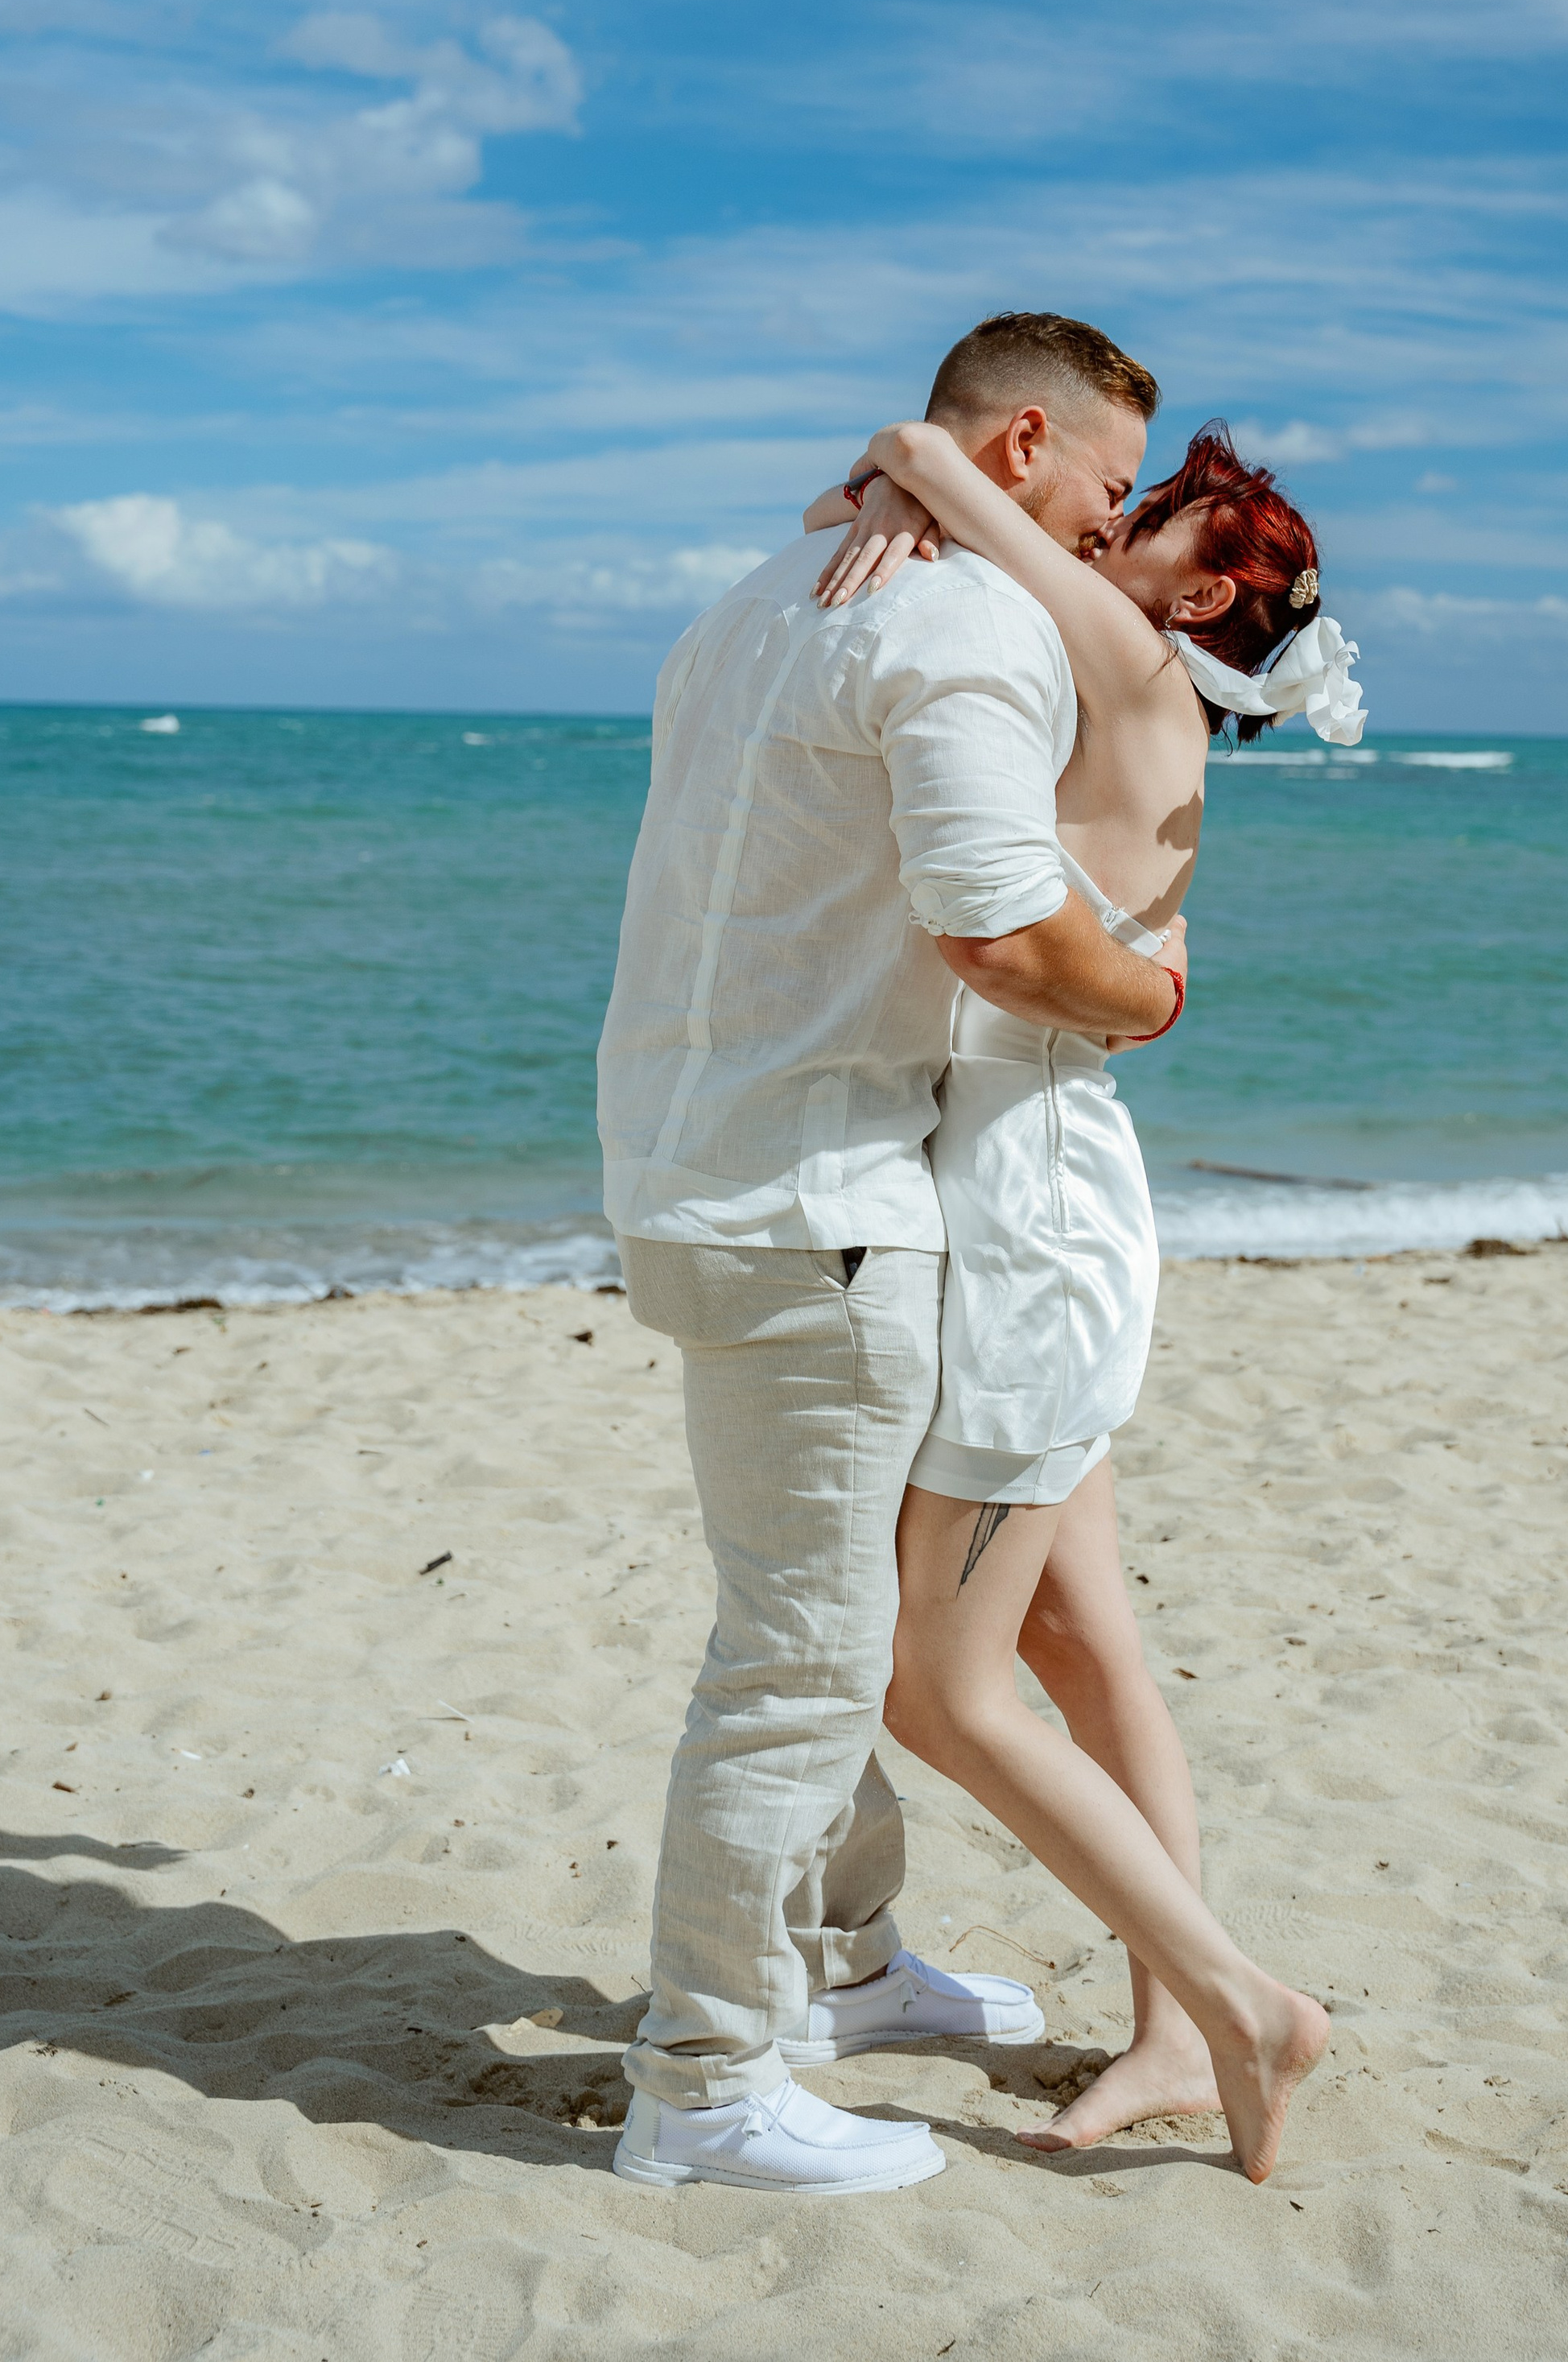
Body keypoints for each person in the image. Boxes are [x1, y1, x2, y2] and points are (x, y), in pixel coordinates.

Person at [596, 312, 1185, 2195]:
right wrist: (1151, 995)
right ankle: (701, 2084)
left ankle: (841, 1972)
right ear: (1020, 446)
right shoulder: (959, 623)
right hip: (820, 1203)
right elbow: (998, 934)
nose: (1112, 524)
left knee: (819, 1609)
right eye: (1105, 484)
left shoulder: (754, 597)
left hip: (683, 1165)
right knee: (797, 1658)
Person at [807, 415, 1361, 2166]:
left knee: (936, 1689)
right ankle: (1170, 2039)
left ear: (1198, 582)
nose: (1109, 519)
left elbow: (934, 466)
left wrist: (913, 470)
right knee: (1078, 1637)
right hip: (1041, 1175)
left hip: (1033, 1209)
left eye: (1151, 509)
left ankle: (1234, 2002)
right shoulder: (1132, 680)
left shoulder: (1126, 658)